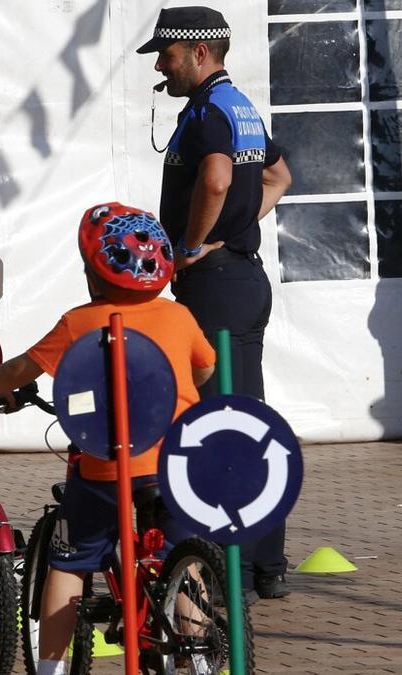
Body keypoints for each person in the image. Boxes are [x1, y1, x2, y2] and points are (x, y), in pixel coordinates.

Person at [0, 203, 215, 675]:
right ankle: (200, 653)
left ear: (91, 272)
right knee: (182, 563)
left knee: (70, 561)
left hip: (107, 468)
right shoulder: (179, 316)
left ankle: (50, 670)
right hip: (178, 464)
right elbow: (204, 368)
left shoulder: (78, 323)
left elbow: (20, 369)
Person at [137, 6, 293, 600]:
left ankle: (234, 569)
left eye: (167, 53)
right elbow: (280, 176)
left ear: (200, 51)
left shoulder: (207, 111)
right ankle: (267, 565)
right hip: (243, 279)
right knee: (245, 419)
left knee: (218, 425)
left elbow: (219, 179)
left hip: (218, 286)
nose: (160, 65)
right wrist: (233, 229)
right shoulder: (241, 107)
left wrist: (193, 245)